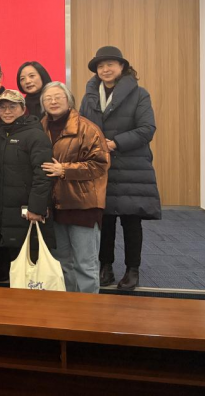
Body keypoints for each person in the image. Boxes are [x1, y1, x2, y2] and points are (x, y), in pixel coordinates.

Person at [79, 46, 161, 291]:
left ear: (122, 67)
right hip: (99, 166)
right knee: (104, 220)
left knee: (131, 220)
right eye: (100, 66)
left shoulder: (140, 94)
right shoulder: (89, 96)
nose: (105, 69)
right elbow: (81, 127)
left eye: (110, 64)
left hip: (131, 166)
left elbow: (147, 129)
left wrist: (114, 143)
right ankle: (105, 266)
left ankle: (132, 269)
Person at [40, 81, 110, 294]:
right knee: (62, 262)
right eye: (48, 98)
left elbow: (100, 164)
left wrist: (64, 170)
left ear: (69, 100)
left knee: (85, 264)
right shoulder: (40, 128)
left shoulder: (87, 128)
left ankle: (88, 310)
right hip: (55, 206)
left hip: (83, 206)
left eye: (58, 97)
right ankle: (69, 306)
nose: (53, 101)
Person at [0, 89, 54, 282]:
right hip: (3, 211)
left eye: (12, 107)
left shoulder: (35, 135)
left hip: (26, 211)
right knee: (10, 263)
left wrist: (36, 208)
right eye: (2, 108)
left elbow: (43, 174)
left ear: (23, 108)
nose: (7, 111)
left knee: (28, 264)